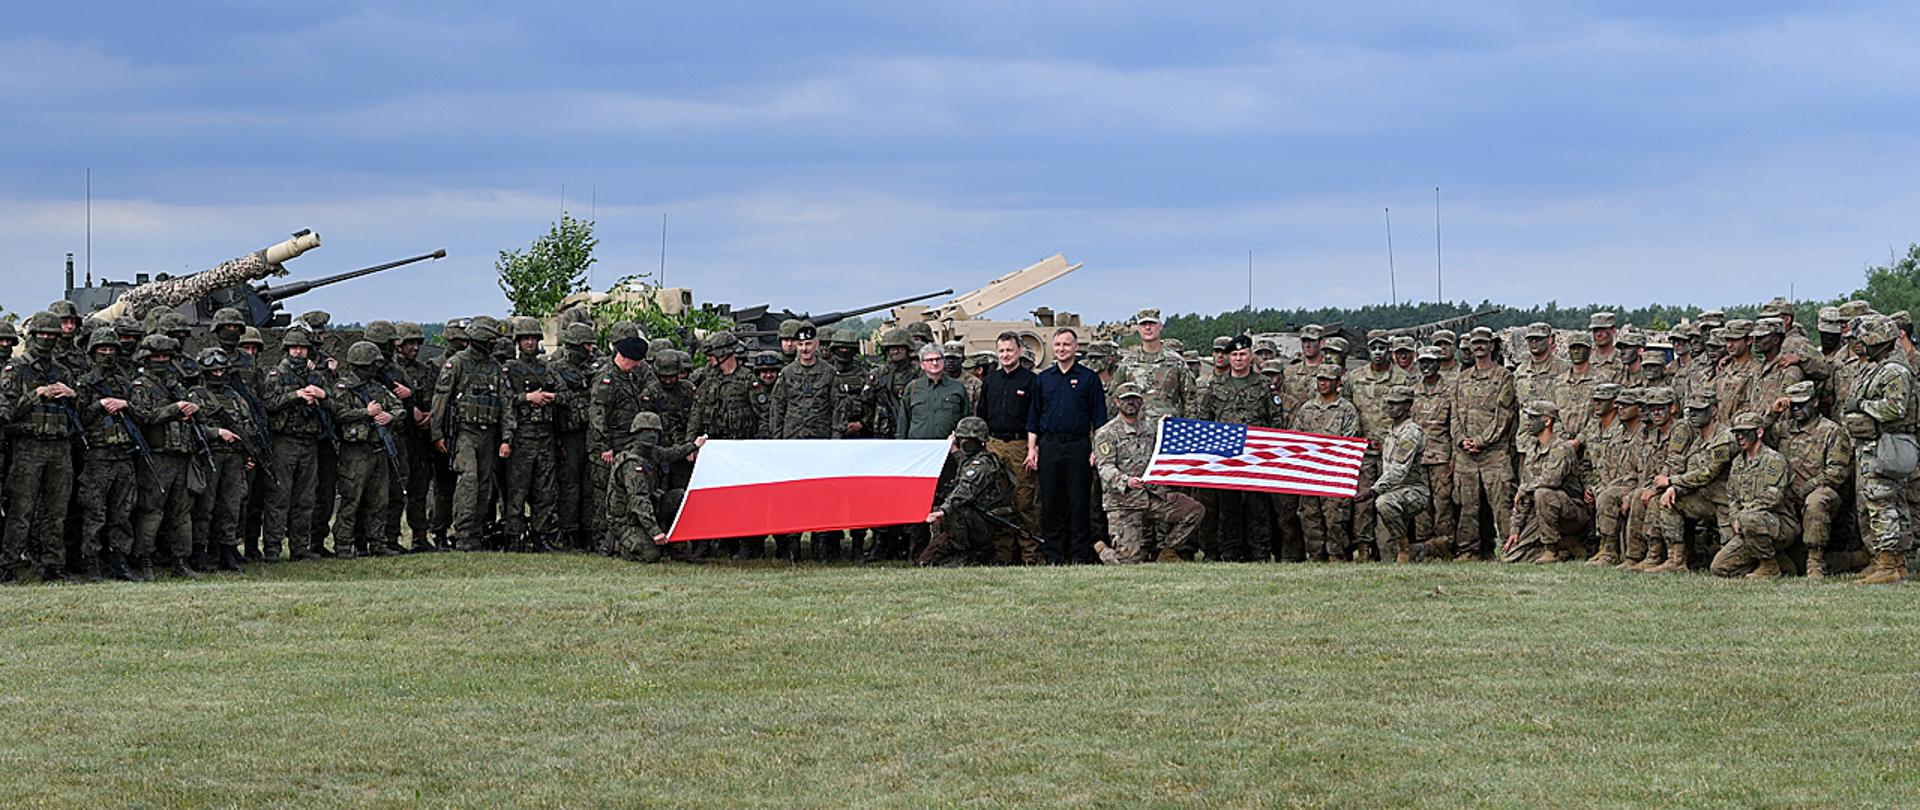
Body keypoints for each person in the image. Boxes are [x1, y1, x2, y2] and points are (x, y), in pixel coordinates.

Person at [0, 313, 80, 583]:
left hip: (59, 448)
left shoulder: (63, 371)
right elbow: (7, 412)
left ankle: (53, 567)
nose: (47, 339)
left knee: (56, 511)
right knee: (21, 511)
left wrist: (73, 396)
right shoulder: (16, 369)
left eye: (52, 335)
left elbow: (80, 416)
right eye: (42, 334)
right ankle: (8, 566)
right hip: (28, 448)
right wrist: (38, 394)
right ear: (32, 336)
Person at [1841, 314, 1914, 584]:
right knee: (1891, 501)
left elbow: (1895, 408)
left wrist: (1862, 406)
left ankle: (1888, 564)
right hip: (1875, 445)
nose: (1860, 346)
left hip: (1886, 444)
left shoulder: (1894, 370)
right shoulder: (1877, 366)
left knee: (1882, 501)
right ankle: (1893, 563)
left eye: (1864, 341)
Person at [1092, 383, 1201, 564]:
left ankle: (1167, 551)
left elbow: (1165, 452)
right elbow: (1105, 467)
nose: (1131, 403)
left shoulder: (1151, 430)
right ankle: (1102, 549)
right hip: (1123, 501)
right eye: (1126, 399)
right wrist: (1126, 481)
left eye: (1135, 399)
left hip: (1152, 496)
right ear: (1117, 402)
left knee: (1194, 511)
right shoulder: (1106, 433)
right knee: (1127, 563)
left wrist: (1170, 426)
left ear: (1141, 402)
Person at [1024, 327, 1106, 564]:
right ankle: (1054, 556)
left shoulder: (1088, 379)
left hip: (1078, 446)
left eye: (1066, 345)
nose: (1061, 349)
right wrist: (1032, 448)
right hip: (1049, 446)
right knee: (1051, 503)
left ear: (1076, 347)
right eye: (1058, 345)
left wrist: (1095, 450)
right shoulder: (1043, 379)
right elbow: (1034, 418)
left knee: (1079, 503)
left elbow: (1099, 419)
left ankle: (1079, 555)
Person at [1196, 334, 1280, 561]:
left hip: (1256, 456)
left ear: (1251, 356)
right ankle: (1229, 552)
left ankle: (1260, 552)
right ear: (1228, 358)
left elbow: (1275, 422)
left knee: (1257, 508)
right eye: (1234, 354)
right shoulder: (1216, 386)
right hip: (1226, 457)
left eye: (1243, 354)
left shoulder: (1263, 385)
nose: (1238, 359)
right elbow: (1205, 420)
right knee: (1228, 507)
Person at [432, 315, 512, 552]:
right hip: (464, 432)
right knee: (468, 481)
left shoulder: (495, 368)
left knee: (484, 485)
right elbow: (441, 399)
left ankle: (476, 533)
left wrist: (507, 438)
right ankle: (463, 533)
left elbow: (506, 404)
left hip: (488, 434)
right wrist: (437, 434)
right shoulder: (456, 363)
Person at [127, 335, 203, 579]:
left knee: (182, 513)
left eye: (166, 357)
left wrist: (192, 409)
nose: (162, 361)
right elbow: (142, 417)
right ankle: (144, 560)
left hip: (181, 454)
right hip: (157, 457)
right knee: (151, 511)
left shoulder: (176, 386)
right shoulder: (140, 386)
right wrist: (174, 409)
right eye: (157, 357)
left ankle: (181, 561)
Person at [766, 321, 841, 561]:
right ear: (795, 346)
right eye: (801, 344)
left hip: (820, 443)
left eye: (809, 344)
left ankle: (821, 544)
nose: (805, 349)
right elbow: (777, 408)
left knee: (821, 495)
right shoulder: (787, 374)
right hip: (793, 442)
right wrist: (777, 441)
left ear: (817, 344)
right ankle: (792, 546)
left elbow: (838, 408)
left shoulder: (829, 373)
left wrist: (835, 441)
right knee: (793, 496)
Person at [327, 342, 405, 560]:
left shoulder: (377, 387)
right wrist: (366, 412)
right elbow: (339, 414)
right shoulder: (343, 387)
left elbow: (398, 407)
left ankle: (377, 543)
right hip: (355, 451)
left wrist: (391, 417)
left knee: (379, 500)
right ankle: (343, 544)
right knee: (351, 499)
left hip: (378, 449)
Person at [187, 347, 259, 572]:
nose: (218, 375)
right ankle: (200, 552)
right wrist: (216, 433)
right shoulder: (195, 396)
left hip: (234, 457)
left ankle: (227, 550)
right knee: (205, 506)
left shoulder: (235, 397)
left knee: (231, 505)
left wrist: (249, 452)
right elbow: (191, 427)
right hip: (210, 456)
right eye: (214, 371)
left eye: (221, 371)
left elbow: (249, 426)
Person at [1450, 327, 1517, 560]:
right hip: (1466, 456)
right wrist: (1461, 440)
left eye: (1483, 343)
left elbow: (1504, 417)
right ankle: (1470, 551)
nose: (1478, 347)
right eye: (1474, 343)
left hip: (1494, 455)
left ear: (1491, 346)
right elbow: (1454, 416)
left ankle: (1511, 551)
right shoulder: (1462, 379)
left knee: (1502, 506)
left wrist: (1481, 441)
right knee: (1468, 507)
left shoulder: (1504, 377)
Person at [1648, 393, 1734, 573]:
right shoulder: (1698, 441)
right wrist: (1674, 489)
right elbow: (1689, 470)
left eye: (1699, 410)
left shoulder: (1724, 438)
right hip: (1705, 499)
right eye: (1691, 411)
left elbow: (1707, 473)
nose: (1693, 415)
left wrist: (1671, 481)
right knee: (1667, 502)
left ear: (1713, 411)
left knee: (1727, 563)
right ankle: (1676, 560)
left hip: (1727, 504)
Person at [1772, 381, 1851, 577]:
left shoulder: (1831, 431)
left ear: (1814, 402)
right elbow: (1756, 434)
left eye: (1802, 404)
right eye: (1793, 405)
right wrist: (1773, 413)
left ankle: (1815, 562)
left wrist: (1807, 487)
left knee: (1816, 501)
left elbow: (1838, 472)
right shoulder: (1783, 429)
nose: (1797, 409)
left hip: (1821, 495)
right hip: (1789, 497)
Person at [976, 331, 1041, 564]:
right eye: (1001, 351)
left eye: (1009, 350)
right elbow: (981, 415)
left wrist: (1034, 448)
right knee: (999, 501)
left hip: (1020, 446)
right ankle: (1003, 556)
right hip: (994, 445)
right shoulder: (991, 381)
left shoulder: (1031, 381)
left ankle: (1029, 555)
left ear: (1020, 351)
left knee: (1024, 501)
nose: (1005, 355)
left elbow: (1036, 417)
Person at [606, 412, 703, 563]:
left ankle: (678, 549)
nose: (651, 435)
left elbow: (671, 453)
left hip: (648, 508)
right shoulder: (633, 464)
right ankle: (617, 544)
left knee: (679, 496)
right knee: (650, 555)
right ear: (637, 433)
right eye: (646, 431)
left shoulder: (652, 453)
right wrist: (655, 532)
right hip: (627, 519)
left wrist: (694, 446)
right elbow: (638, 501)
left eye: (654, 431)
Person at [1710, 412, 1797, 578]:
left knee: (1749, 518)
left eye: (1744, 433)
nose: (1740, 437)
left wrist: (1743, 516)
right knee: (1719, 567)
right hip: (1749, 526)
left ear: (1759, 432)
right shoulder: (1737, 462)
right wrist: (1736, 518)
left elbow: (1773, 496)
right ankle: (1780, 563)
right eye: (1737, 433)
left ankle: (1769, 567)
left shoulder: (1773, 460)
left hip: (1780, 523)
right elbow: (1732, 497)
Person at [920, 416, 1015, 566]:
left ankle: (964, 555)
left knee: (956, 511)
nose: (964, 442)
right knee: (928, 560)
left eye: (967, 439)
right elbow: (965, 463)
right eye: (961, 439)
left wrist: (944, 510)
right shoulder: (971, 460)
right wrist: (954, 450)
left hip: (984, 523)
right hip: (976, 520)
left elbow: (966, 489)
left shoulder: (983, 463)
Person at [1503, 400, 1590, 563]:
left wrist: (1525, 489)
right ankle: (1564, 547)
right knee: (1510, 556)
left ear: (1547, 421)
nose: (1528, 423)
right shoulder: (1532, 451)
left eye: (1533, 418)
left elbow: (1551, 480)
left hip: (1570, 513)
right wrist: (1515, 529)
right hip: (1542, 513)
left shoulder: (1561, 448)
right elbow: (1523, 494)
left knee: (1543, 493)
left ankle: (1551, 550)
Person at [1295, 364, 1360, 561]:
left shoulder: (1347, 409)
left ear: (1338, 383)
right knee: (1309, 516)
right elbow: (1297, 439)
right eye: (1320, 379)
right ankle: (1315, 556)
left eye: (1327, 380)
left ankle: (1337, 556)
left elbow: (1351, 439)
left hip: (1335, 474)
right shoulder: (1306, 409)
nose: (1322, 383)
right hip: (1310, 473)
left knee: (1335, 518)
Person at [1361, 386, 1427, 564]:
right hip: (1392, 491)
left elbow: (1398, 471)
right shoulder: (1391, 431)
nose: (1390, 407)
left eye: (1396, 404)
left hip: (1413, 491)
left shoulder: (1410, 432)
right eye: (1389, 403)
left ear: (1407, 406)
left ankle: (1405, 548)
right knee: (1387, 553)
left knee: (1383, 503)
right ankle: (1425, 549)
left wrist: (1373, 491)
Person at [899, 344, 970, 440]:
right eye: (930, 360)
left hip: (949, 447)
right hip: (918, 447)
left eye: (938, 359)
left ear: (943, 361)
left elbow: (966, 419)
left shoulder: (957, 388)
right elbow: (903, 421)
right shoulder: (912, 388)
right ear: (922, 365)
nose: (935, 363)